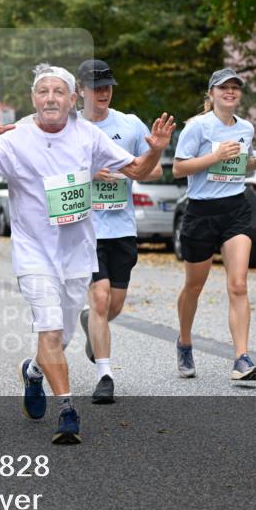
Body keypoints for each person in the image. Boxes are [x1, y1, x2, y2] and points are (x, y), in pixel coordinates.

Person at [0, 63, 174, 444]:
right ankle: (67, 409)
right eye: (43, 91)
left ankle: (33, 371)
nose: (50, 98)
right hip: (33, 253)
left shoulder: (88, 135)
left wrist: (155, 152)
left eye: (58, 91)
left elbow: (136, 170)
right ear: (34, 98)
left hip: (77, 252)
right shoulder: (15, 138)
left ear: (72, 98)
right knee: (49, 327)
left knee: (59, 337)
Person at [74, 60, 164, 405]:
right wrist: (91, 173)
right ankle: (105, 375)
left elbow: (152, 172)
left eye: (108, 86)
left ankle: (92, 327)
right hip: (84, 229)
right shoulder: (69, 126)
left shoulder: (128, 125)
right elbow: (52, 172)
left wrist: (137, 168)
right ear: (80, 90)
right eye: (96, 87)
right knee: (98, 299)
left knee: (113, 305)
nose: (103, 92)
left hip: (121, 227)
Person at [172, 68, 256, 384]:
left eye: (235, 88)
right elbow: (178, 168)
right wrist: (213, 157)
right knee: (194, 286)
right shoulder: (197, 127)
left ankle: (242, 358)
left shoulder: (246, 128)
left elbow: (241, 163)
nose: (230, 92)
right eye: (223, 88)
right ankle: (184, 342)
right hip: (201, 212)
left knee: (238, 284)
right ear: (211, 94)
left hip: (235, 209)